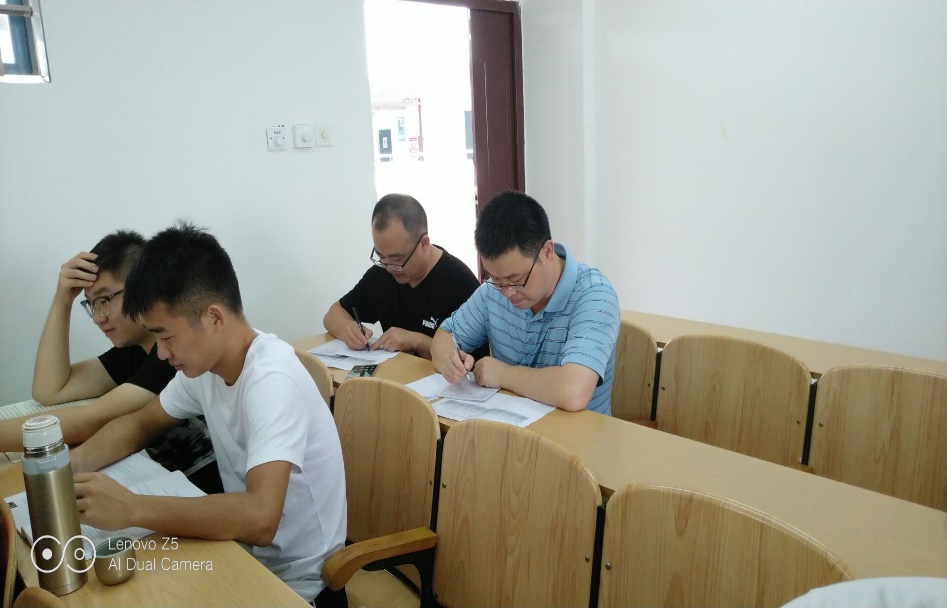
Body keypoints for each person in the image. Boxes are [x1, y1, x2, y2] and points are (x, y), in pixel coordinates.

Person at [71, 223, 346, 605]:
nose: (162, 353)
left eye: (166, 336)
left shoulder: (271, 380)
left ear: (214, 318)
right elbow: (140, 424)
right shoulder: (205, 368)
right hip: (236, 555)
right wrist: (70, 469)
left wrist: (131, 508)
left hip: (298, 587)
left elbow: (260, 517)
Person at [0, 230, 219, 493]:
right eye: (92, 305)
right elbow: (49, 390)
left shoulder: (171, 356)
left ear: (141, 288)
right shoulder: (132, 351)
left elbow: (91, 420)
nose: (98, 317)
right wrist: (63, 299)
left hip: (209, 495)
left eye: (105, 300)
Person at [432, 191, 620, 415]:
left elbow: (573, 391)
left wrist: (504, 374)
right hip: (510, 428)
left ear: (547, 252)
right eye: (495, 278)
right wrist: (450, 360)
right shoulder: (492, 292)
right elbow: (444, 336)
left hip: (575, 434)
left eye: (516, 279)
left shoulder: (594, 295)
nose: (507, 292)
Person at [322, 193, 485, 359]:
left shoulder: (460, 284)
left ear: (424, 244)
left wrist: (417, 341)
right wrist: (348, 329)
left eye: (397, 259)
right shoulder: (381, 274)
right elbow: (333, 314)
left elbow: (471, 362)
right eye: (380, 256)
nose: (389, 268)